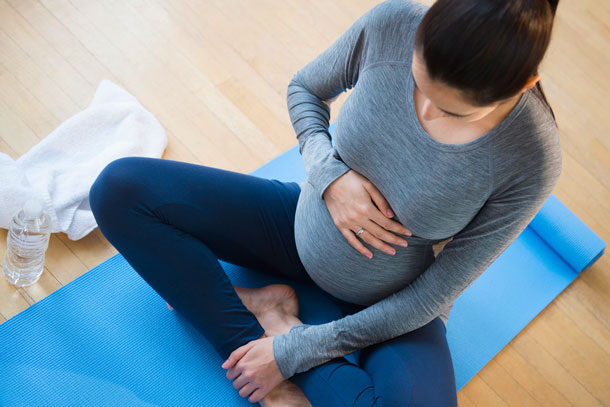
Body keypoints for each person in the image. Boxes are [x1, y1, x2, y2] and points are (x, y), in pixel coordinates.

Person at [88, 0, 563, 406]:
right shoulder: (396, 22)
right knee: (120, 189)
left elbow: (438, 291)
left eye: (453, 110)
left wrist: (297, 349)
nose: (426, 110)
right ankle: (254, 346)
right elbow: (305, 89)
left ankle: (273, 331)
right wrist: (329, 174)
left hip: (393, 298)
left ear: (524, 84)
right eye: (418, 82)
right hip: (300, 228)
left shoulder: (531, 158)